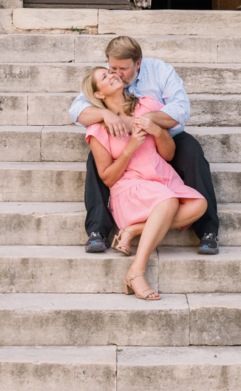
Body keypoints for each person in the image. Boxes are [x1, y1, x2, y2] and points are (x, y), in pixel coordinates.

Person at [68, 34, 220, 255]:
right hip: (121, 141)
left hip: (165, 134)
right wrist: (104, 113)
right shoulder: (106, 78)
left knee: (193, 152)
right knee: (96, 157)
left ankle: (207, 230)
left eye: (123, 69)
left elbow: (180, 111)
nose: (116, 74)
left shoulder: (160, 71)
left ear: (138, 63)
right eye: (112, 68)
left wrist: (143, 121)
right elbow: (76, 110)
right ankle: (98, 230)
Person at [81, 66, 207, 300]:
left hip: (161, 178)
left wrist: (158, 131)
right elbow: (107, 177)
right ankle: (136, 272)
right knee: (168, 201)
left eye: (112, 73)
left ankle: (134, 230)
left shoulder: (147, 105)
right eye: (105, 77)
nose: (113, 75)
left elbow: (169, 155)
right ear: (99, 94)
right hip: (130, 186)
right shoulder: (98, 128)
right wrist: (129, 150)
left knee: (199, 205)